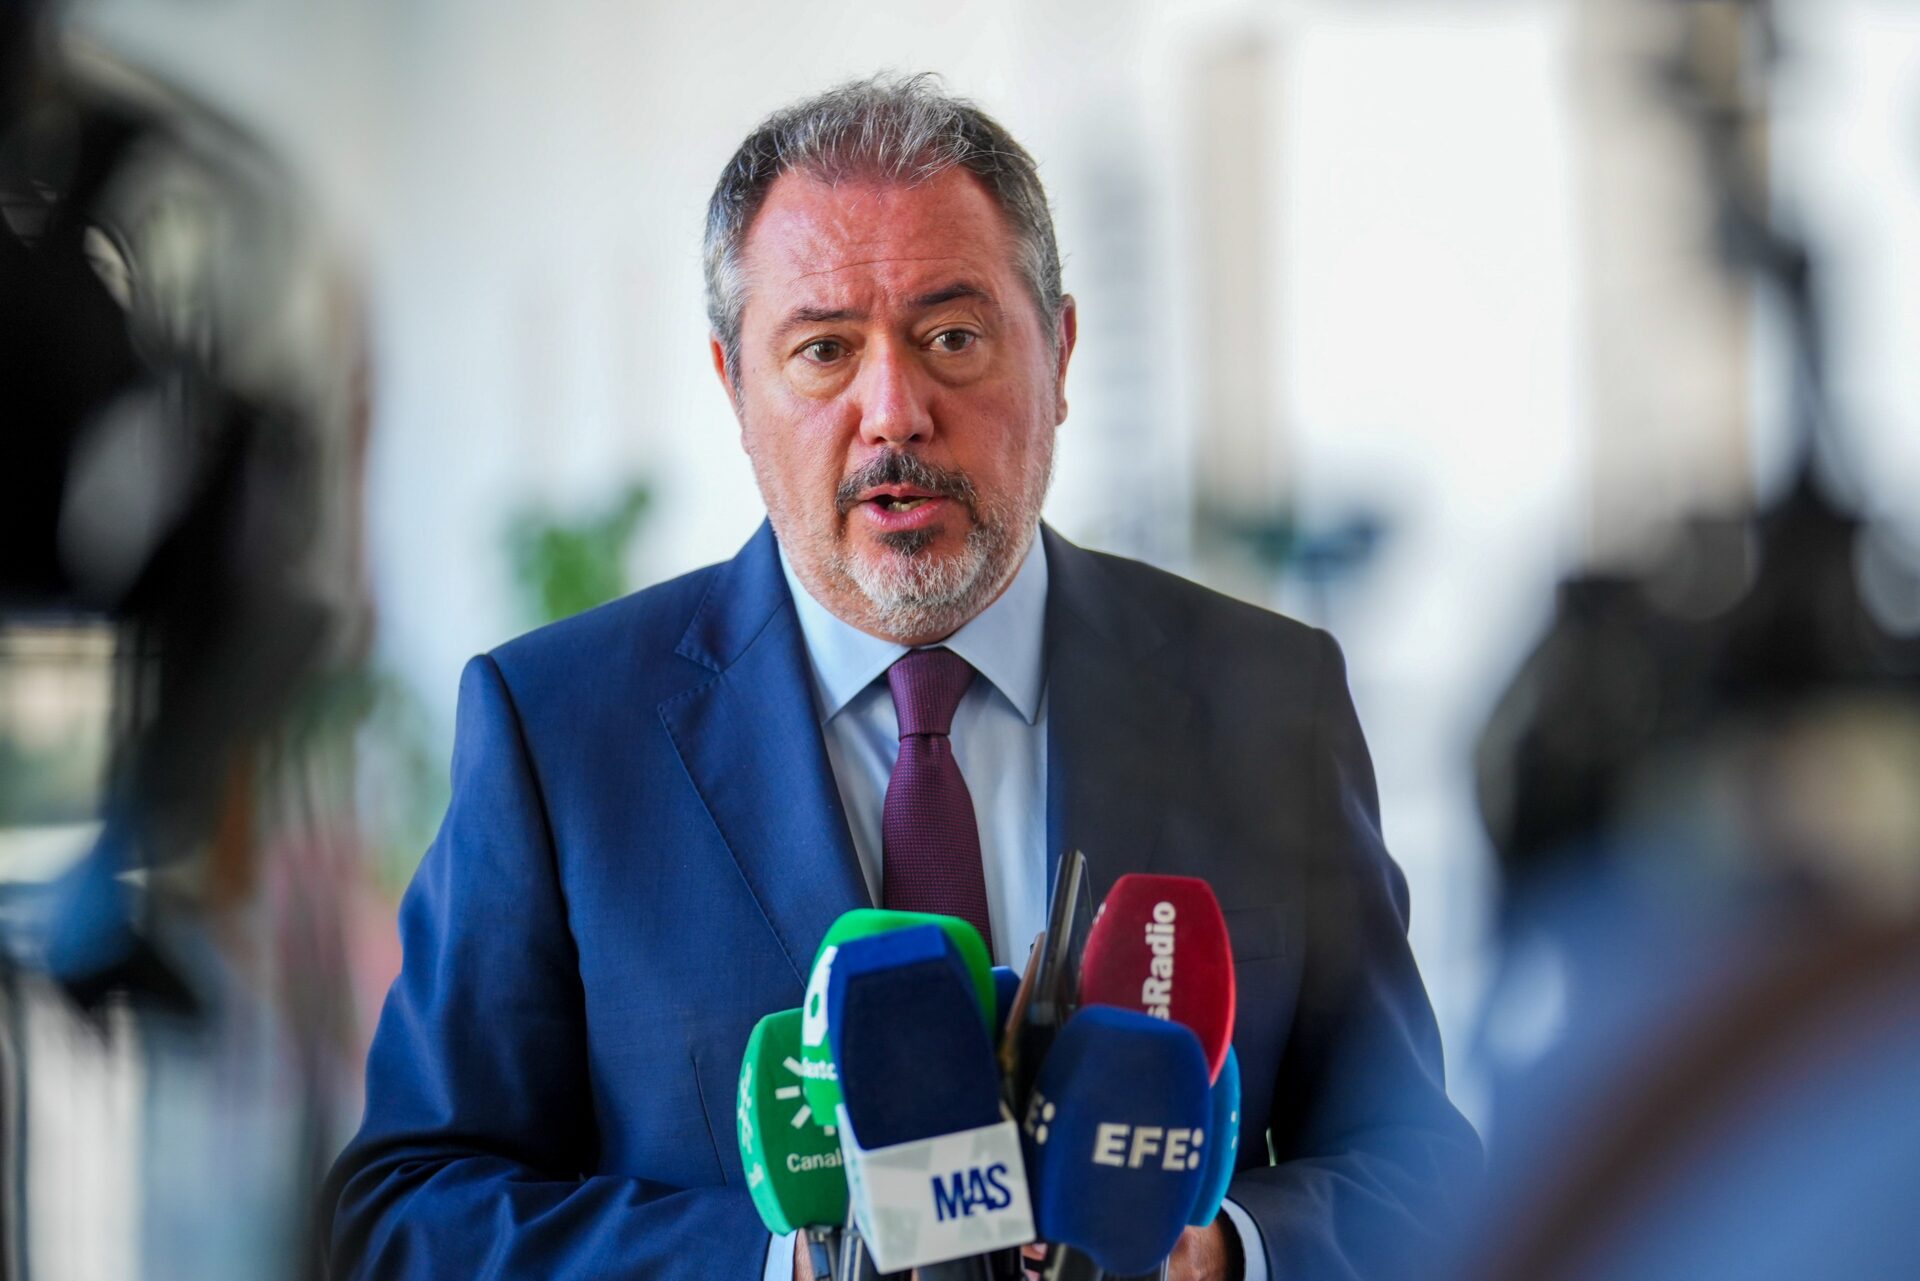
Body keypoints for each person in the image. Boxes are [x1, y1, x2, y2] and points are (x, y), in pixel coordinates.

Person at [325, 73, 1480, 1281]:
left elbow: (1418, 1168)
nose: (894, 413)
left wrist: (1227, 1256)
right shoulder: (559, 732)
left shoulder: (1271, 697)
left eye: (952, 338)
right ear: (734, 386)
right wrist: (783, 1266)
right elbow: (409, 1214)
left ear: (1060, 354)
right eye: (824, 350)